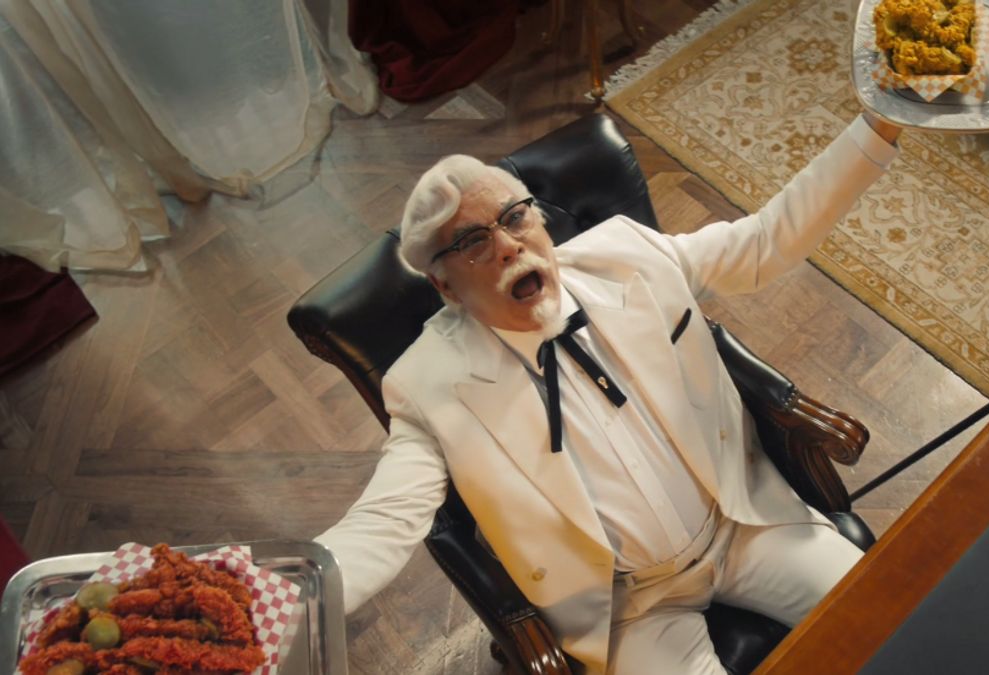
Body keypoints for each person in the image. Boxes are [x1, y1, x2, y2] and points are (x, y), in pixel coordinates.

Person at [315, 112, 901, 673]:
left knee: (897, 616)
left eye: (514, 217)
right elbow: (385, 521)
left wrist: (879, 123)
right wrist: (292, 600)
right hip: (629, 609)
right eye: (472, 241)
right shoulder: (425, 386)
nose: (508, 246)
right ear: (444, 285)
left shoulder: (629, 256)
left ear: (539, 221)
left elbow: (765, 242)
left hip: (743, 526)